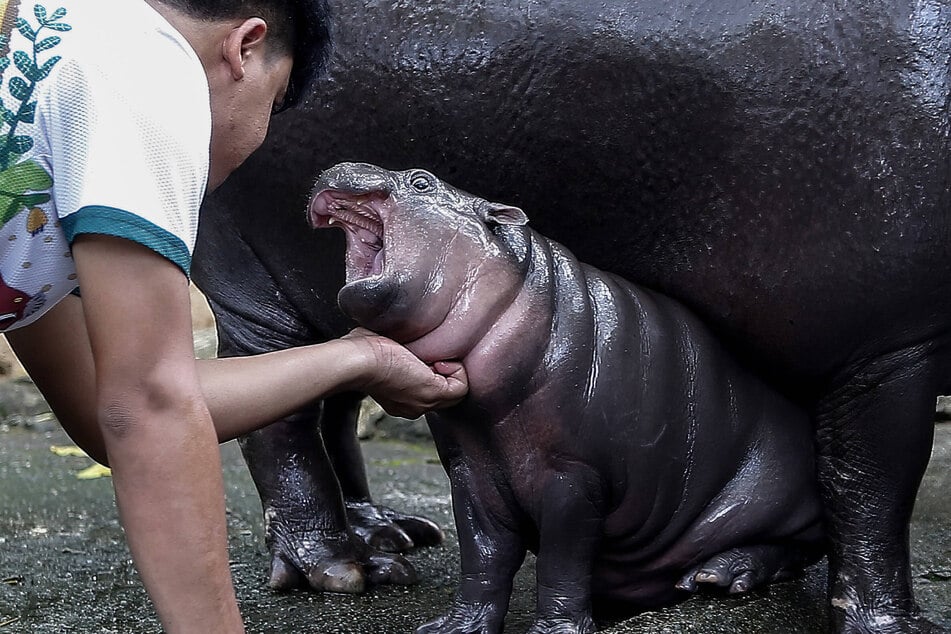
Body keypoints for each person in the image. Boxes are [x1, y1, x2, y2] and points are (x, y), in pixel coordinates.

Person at [0, 0, 468, 632]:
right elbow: (150, 408)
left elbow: (105, 408)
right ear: (245, 47)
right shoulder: (146, 65)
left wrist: (362, 356)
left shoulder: (58, 48)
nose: (259, 137)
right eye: (271, 106)